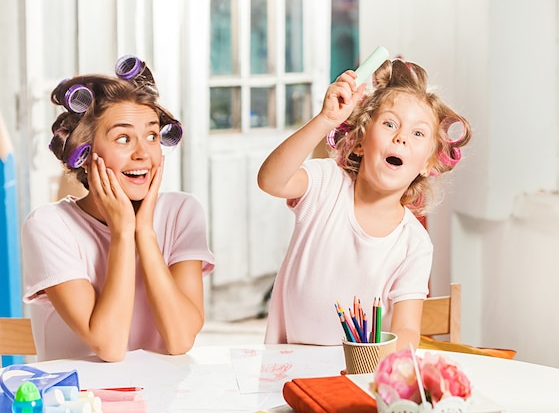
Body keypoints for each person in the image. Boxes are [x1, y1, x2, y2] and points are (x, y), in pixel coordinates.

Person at [257, 58, 471, 350]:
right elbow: (270, 180)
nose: (401, 138)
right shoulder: (326, 183)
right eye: (389, 124)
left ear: (428, 163)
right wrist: (326, 120)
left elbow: (407, 329)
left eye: (418, 133)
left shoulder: (414, 244)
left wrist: (392, 364)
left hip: (356, 377)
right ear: (359, 142)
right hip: (285, 368)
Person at [21, 56, 215, 362]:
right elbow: (109, 345)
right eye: (123, 138)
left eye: (151, 136)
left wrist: (145, 232)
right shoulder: (48, 225)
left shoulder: (182, 212)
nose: (143, 153)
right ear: (85, 154)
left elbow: (180, 339)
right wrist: (124, 232)